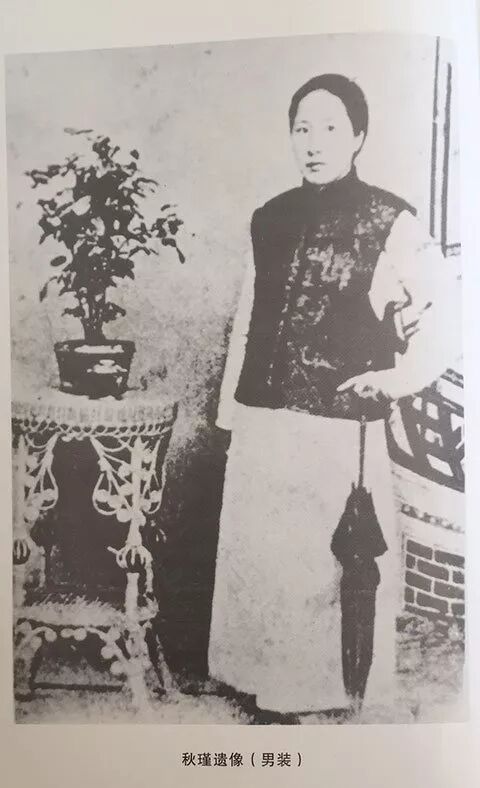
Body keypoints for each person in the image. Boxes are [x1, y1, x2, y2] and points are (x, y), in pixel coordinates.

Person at [207, 74, 460, 721]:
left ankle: (315, 691)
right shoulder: (269, 218)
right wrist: (232, 413)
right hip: (264, 418)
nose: (314, 142)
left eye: (329, 128)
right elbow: (249, 317)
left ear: (358, 136)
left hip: (336, 427)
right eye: (302, 128)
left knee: (320, 565)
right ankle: (255, 679)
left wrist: (394, 380)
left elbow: (449, 315)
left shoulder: (390, 220)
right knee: (262, 557)